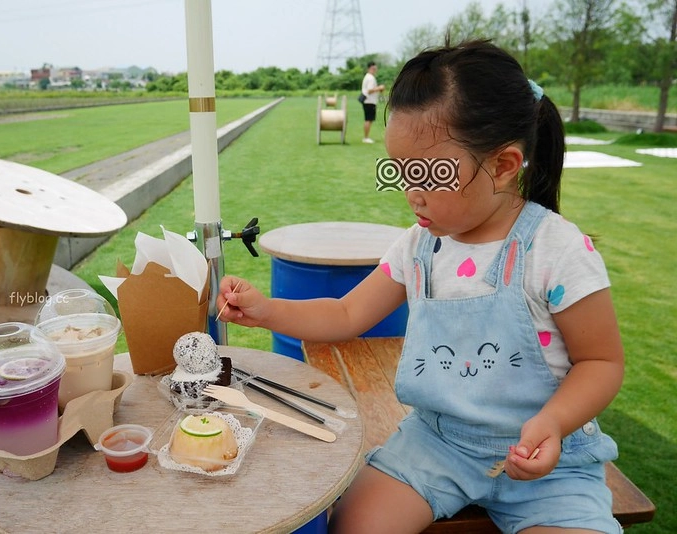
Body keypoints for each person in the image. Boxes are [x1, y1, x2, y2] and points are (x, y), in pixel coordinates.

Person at [217, 39, 624, 533]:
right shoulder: (419, 246)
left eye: (430, 176)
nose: (412, 194)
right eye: (402, 172)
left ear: (502, 166)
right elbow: (346, 314)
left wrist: (555, 422)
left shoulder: (556, 250)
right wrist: (267, 310)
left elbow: (601, 362)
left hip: (551, 464)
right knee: (353, 525)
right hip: (436, 444)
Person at [361, 61, 385, 143]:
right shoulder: (370, 78)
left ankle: (366, 137)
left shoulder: (367, 76)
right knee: (368, 119)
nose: (375, 70)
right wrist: (380, 87)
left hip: (368, 101)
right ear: (371, 68)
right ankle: (366, 138)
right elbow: (369, 90)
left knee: (369, 119)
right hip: (369, 101)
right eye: (374, 68)